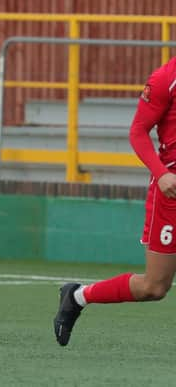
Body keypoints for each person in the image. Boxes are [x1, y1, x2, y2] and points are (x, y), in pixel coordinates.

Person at [53, 57, 176, 346]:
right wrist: (161, 175)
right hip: (171, 191)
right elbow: (137, 132)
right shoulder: (164, 79)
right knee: (154, 286)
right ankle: (78, 296)